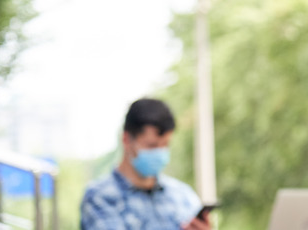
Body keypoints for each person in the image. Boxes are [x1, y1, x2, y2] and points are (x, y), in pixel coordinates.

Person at [80, 98, 211, 230]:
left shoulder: (183, 196)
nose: (159, 152)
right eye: (152, 145)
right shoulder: (100, 198)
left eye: (165, 144)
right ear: (126, 140)